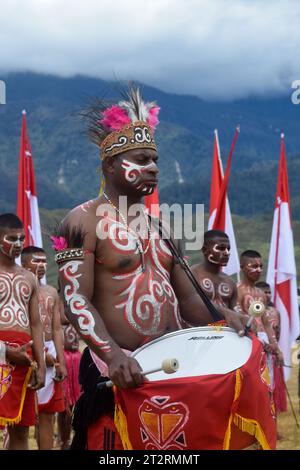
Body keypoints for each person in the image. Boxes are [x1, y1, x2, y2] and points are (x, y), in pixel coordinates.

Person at [53, 86, 246, 449]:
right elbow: (75, 300)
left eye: (154, 160)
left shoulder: (162, 227)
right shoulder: (80, 221)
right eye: (141, 160)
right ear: (110, 165)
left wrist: (222, 316)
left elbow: (188, 297)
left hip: (172, 368)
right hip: (118, 369)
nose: (153, 168)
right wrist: (112, 356)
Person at [0, 214, 45, 450]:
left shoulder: (29, 278)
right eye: (11, 238)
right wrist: (5, 351)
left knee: (21, 431)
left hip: (25, 361)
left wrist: (41, 363)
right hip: (2, 356)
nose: (18, 244)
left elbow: (36, 323)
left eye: (21, 239)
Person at [21, 246, 67, 450]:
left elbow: (57, 328)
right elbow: (24, 327)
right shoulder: (20, 291)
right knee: (22, 418)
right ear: (23, 264)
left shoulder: (51, 293)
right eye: (35, 261)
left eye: (43, 261)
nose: (41, 266)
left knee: (47, 416)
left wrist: (61, 361)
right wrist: (41, 355)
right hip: (28, 351)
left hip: (51, 354)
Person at [237, 250, 284, 377]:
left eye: (260, 266)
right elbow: (239, 321)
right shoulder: (237, 291)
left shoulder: (260, 293)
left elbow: (266, 323)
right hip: (246, 345)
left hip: (263, 346)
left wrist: (277, 349)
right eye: (253, 266)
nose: (258, 270)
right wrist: (258, 342)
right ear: (242, 267)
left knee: (266, 388)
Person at [255, 281, 287, 415]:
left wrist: (275, 348)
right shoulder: (254, 311)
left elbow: (277, 333)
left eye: (269, 292)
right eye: (264, 292)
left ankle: (273, 416)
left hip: (271, 353)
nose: (267, 295)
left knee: (272, 386)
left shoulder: (275, 312)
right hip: (258, 353)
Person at [191, 229, 237, 313]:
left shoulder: (230, 283)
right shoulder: (191, 275)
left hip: (223, 326)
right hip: (198, 326)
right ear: (205, 250)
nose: (227, 253)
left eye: (228, 249)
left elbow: (234, 313)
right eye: (221, 248)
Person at [57, 301, 82, 450]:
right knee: (64, 405)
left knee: (75, 404)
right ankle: (64, 441)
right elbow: (63, 319)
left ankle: (74, 438)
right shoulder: (58, 301)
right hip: (64, 359)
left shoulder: (75, 300)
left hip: (76, 358)